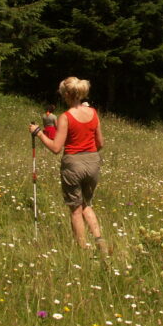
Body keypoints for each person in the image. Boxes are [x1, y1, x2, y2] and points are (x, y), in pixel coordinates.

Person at [29, 77, 105, 251]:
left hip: (73, 164)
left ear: (67, 94)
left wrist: (39, 133)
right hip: (93, 161)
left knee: (76, 209)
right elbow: (100, 143)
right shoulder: (93, 113)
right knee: (87, 204)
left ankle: (82, 248)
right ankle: (99, 240)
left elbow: (56, 148)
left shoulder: (65, 117)